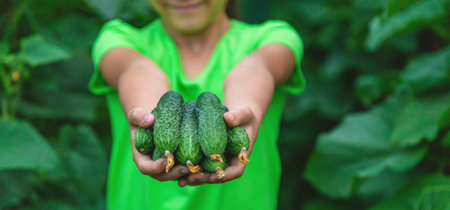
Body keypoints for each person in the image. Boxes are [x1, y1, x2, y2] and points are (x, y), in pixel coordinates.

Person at [89, 0, 305, 209]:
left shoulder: (274, 38)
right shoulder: (118, 39)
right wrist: (149, 119)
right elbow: (138, 71)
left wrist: (246, 110)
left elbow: (256, 69)